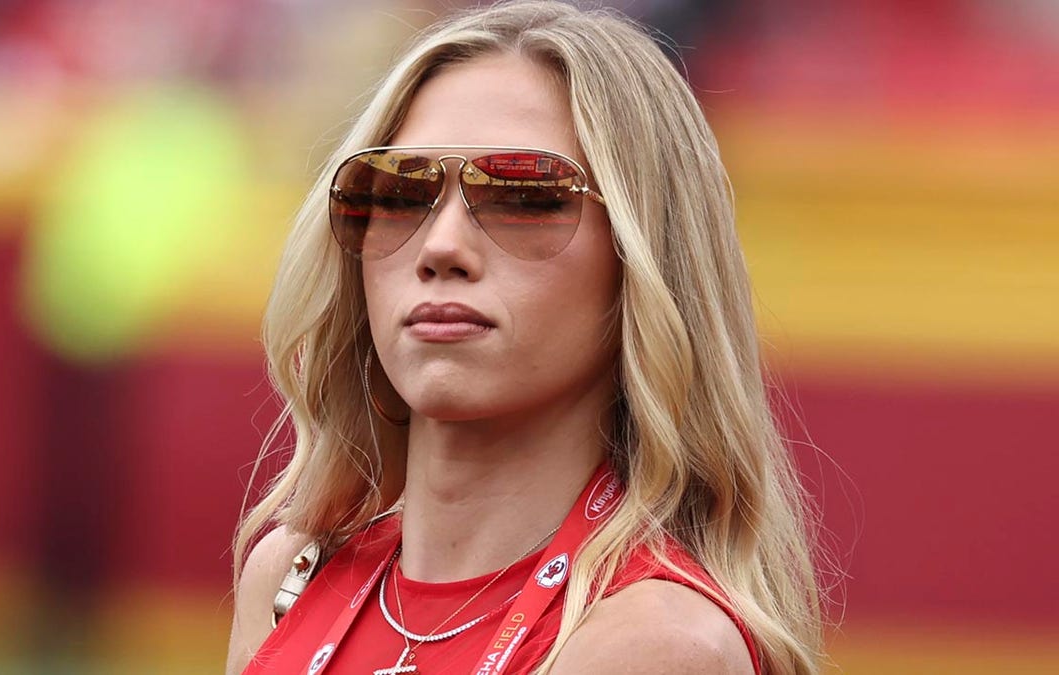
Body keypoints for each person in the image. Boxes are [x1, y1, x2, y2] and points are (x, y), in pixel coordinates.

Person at [226, 2, 824, 673]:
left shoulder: (655, 643)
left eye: (525, 194)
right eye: (396, 192)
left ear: (645, 259)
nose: (441, 246)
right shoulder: (288, 580)